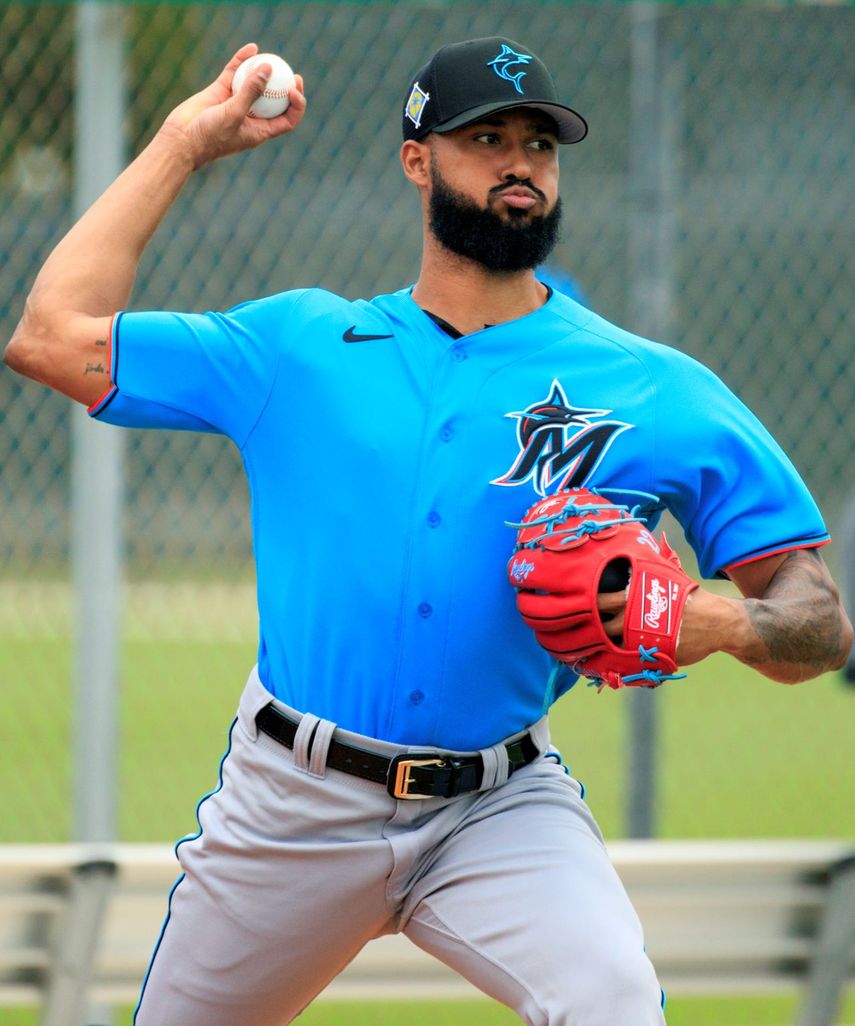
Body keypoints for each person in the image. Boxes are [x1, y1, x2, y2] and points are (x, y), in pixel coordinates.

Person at [4, 36, 852, 1026]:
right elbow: (50, 337)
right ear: (417, 159)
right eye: (484, 136)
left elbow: (818, 625)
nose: (518, 161)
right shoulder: (302, 347)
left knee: (614, 1002)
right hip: (291, 805)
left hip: (498, 807)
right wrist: (185, 141)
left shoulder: (658, 388)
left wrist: (709, 621)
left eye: (540, 142)